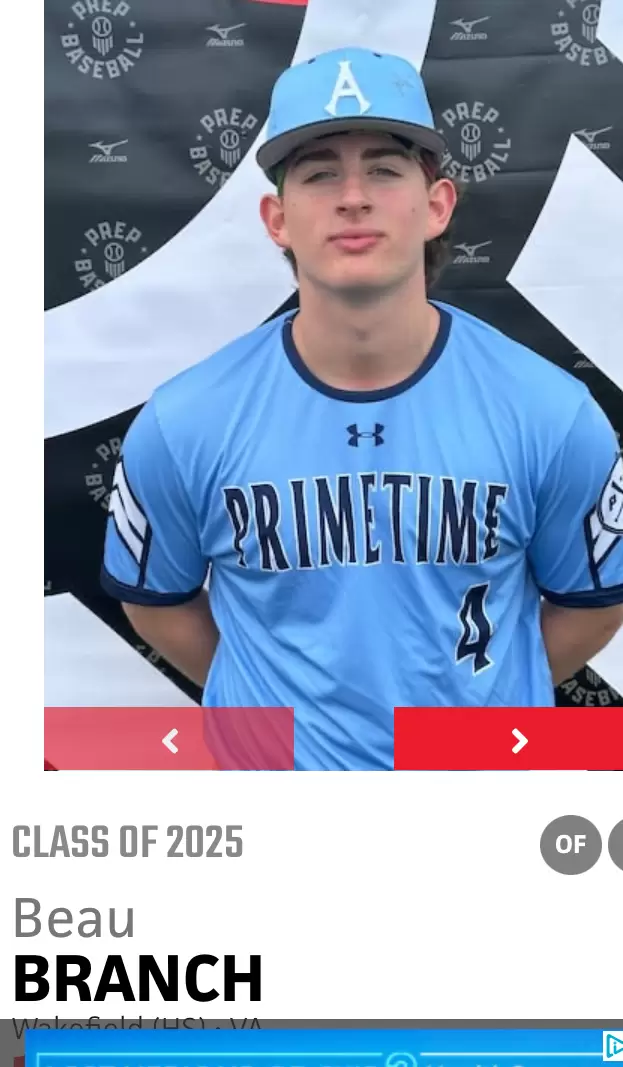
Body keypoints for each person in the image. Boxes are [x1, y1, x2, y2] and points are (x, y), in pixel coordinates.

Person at [101, 46, 623, 770]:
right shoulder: (183, 421)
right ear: (277, 218)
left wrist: (472, 721)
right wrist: (277, 715)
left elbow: (592, 604)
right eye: (319, 174)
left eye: (383, 169)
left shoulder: (549, 413)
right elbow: (158, 602)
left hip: (478, 800)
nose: (353, 197)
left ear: (436, 204)